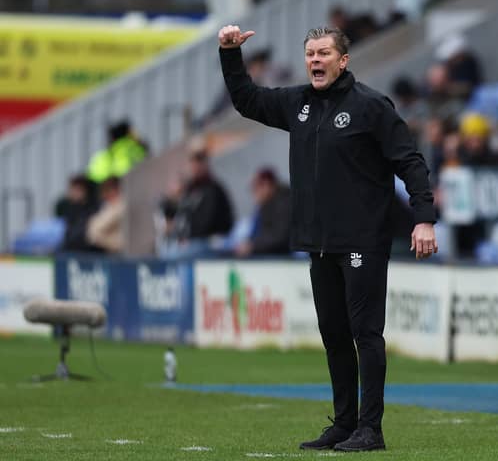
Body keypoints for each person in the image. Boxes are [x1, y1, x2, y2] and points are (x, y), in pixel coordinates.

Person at [218, 24, 437, 451]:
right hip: (319, 242)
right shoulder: (296, 103)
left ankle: (370, 429)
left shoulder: (372, 106)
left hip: (363, 240)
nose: (315, 61)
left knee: (365, 334)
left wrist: (424, 218)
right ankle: (344, 424)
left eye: (323, 54)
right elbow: (246, 100)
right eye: (310, 54)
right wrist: (229, 53)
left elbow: (410, 161)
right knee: (334, 334)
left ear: (343, 60)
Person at [160, 145, 234, 259]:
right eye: (193, 163)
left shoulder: (212, 189)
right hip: (192, 241)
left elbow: (206, 224)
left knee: (171, 256)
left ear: (205, 165)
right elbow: (172, 212)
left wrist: (183, 233)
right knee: (164, 251)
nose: (194, 168)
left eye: (198, 163)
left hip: (210, 241)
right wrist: (172, 199)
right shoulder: (190, 188)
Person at [234, 168, 291, 257]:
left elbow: (280, 237)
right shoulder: (264, 205)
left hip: (280, 257)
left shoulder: (283, 203)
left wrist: (252, 246)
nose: (254, 193)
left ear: (267, 185)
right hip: (267, 253)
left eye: (256, 188)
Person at [87, 176, 125, 254]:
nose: (104, 195)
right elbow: (92, 233)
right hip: (107, 251)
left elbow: (97, 230)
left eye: (108, 190)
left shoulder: (121, 205)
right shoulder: (107, 206)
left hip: (118, 251)